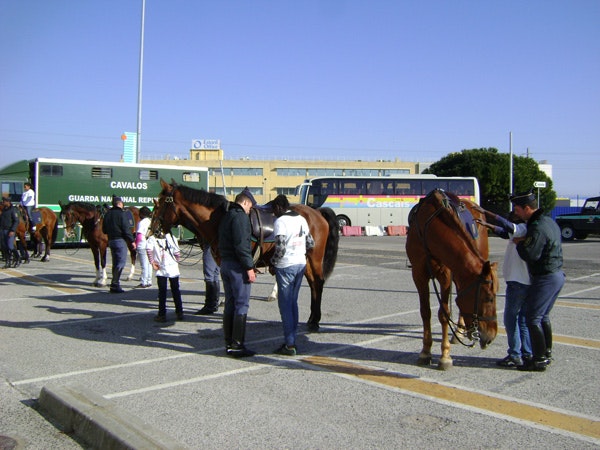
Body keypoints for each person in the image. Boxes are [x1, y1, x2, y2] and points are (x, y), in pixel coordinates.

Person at [511, 190, 565, 372]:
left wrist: (519, 243)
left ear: (527, 208)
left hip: (546, 277)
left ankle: (539, 359)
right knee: (543, 316)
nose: (515, 212)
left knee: (532, 318)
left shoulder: (537, 227)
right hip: (556, 275)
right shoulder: (549, 221)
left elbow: (530, 254)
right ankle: (546, 353)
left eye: (517, 209)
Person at [477, 210, 532, 367]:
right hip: (523, 281)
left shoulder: (522, 228)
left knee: (511, 320)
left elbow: (507, 226)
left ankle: (515, 354)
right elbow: (503, 232)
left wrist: (487, 213)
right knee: (522, 320)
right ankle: (526, 353)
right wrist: (488, 225)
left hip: (518, 282)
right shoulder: (522, 230)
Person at [270, 195, 315, 356]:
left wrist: (272, 262)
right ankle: (293, 337)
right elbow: (311, 243)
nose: (273, 213)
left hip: (286, 265)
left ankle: (289, 344)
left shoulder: (280, 222)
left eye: (274, 210)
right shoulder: (301, 219)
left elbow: (280, 249)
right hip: (300, 264)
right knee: (293, 303)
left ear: (278, 207)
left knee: (285, 306)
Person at [218, 190, 256, 357]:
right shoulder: (240, 217)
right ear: (246, 202)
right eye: (250, 208)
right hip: (237, 266)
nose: (250, 211)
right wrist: (249, 267)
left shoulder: (227, 215)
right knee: (242, 304)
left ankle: (228, 341)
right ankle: (237, 345)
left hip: (225, 263)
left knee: (230, 303)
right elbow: (242, 245)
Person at [146, 230, 184, 322]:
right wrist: (176, 262)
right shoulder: (172, 238)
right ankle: (179, 312)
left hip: (161, 267)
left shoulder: (152, 239)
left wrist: (152, 262)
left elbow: (148, 250)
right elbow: (177, 253)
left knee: (162, 292)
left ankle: (162, 314)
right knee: (175, 290)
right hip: (172, 267)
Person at [102, 196, 135, 293]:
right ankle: (115, 283)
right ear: (120, 203)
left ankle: (114, 284)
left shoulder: (107, 214)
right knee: (121, 263)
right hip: (120, 240)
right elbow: (126, 229)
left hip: (111, 241)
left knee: (115, 262)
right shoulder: (122, 214)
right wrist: (132, 241)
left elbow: (104, 230)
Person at [194, 242, 221, 315]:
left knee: (209, 275)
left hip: (211, 244)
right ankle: (214, 303)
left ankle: (209, 305)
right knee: (215, 275)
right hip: (220, 246)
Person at [1, 197, 21, 268]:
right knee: (4, 247)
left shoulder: (13, 210)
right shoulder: (4, 210)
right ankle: (8, 261)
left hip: (9, 230)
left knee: (10, 246)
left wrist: (12, 230)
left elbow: (16, 221)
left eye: (4, 201)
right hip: (2, 230)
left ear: (8, 202)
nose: (3, 202)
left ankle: (18, 258)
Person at [135, 206, 153, 288]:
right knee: (149, 263)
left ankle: (143, 282)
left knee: (144, 265)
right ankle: (149, 280)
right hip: (150, 245)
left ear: (142, 214)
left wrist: (136, 244)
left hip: (142, 245)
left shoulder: (141, 223)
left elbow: (139, 235)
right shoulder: (151, 222)